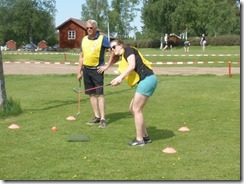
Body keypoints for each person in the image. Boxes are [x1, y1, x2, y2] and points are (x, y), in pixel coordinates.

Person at [102, 39, 158, 146]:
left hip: (148, 79)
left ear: (120, 45)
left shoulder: (128, 50)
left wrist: (120, 77)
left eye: (114, 47)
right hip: (146, 81)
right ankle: (145, 137)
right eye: (110, 49)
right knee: (132, 108)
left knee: (136, 109)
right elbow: (129, 71)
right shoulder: (123, 58)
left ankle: (139, 139)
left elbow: (132, 66)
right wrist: (118, 80)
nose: (112, 50)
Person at [77, 19, 114, 128]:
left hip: (97, 70)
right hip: (86, 70)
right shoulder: (84, 40)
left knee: (100, 94)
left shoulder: (103, 39)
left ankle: (103, 119)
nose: (89, 29)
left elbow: (112, 51)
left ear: (95, 28)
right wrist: (79, 71)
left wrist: (106, 66)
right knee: (91, 94)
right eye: (87, 28)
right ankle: (97, 117)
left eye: (91, 28)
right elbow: (81, 56)